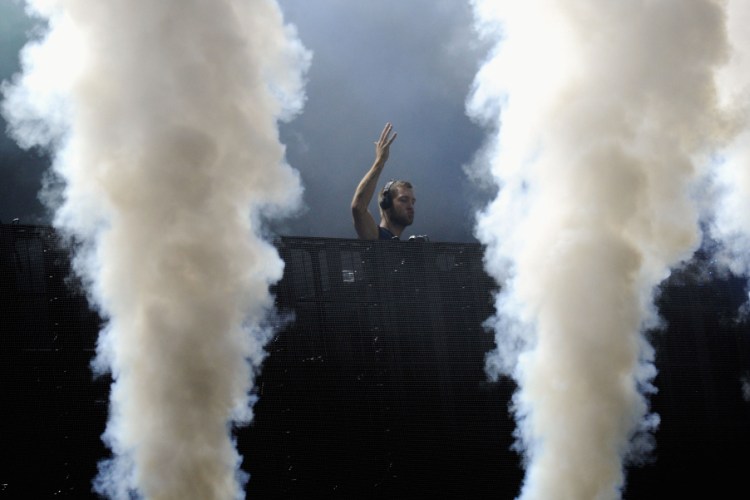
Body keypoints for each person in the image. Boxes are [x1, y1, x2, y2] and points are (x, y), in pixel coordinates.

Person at [351, 123, 416, 240]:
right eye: (404, 200)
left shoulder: (405, 250)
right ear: (386, 203)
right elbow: (358, 208)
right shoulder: (375, 237)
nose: (410, 206)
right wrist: (380, 161)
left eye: (412, 202)